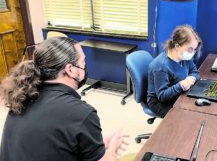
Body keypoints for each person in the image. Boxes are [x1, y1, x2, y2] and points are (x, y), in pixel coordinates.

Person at [0, 37, 129, 161]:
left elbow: (48, 145)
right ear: (70, 69)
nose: (85, 66)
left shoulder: (21, 98)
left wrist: (96, 146)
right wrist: (112, 150)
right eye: (83, 62)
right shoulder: (81, 113)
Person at [147, 24, 202, 118]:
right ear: (177, 46)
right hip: (159, 101)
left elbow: (195, 71)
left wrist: (191, 78)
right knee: (182, 120)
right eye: (190, 49)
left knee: (197, 111)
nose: (192, 53)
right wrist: (181, 85)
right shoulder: (161, 66)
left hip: (177, 93)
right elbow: (162, 96)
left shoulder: (185, 58)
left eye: (194, 49)